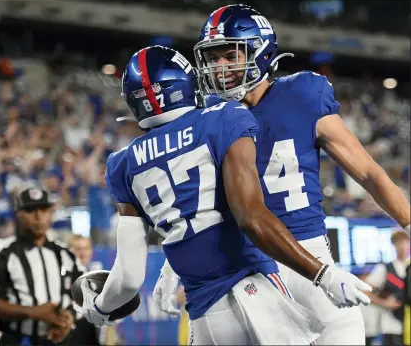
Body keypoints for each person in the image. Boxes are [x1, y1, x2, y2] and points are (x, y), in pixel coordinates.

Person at [75, 45, 371, 345]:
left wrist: (99, 309)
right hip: (257, 298)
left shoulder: (121, 163)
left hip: (204, 316)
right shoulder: (223, 117)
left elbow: (127, 278)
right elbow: (251, 217)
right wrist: (324, 273)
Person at [154, 4, 411, 345]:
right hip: (250, 269)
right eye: (213, 58)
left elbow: (366, 172)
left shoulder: (297, 95)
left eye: (230, 54)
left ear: (260, 51)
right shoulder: (211, 114)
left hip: (289, 260)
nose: (220, 66)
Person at [0, 186, 84, 345]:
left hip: (58, 340)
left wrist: (69, 317)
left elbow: (82, 295)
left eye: (44, 209)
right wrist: (32, 312)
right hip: (16, 339)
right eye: (30, 210)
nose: (38, 216)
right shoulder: (2, 254)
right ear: (17, 215)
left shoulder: (66, 254)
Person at [365, 231, 410, 345]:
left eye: (404, 242)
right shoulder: (384, 268)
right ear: (393, 245)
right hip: (392, 324)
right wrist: (383, 303)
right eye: (398, 243)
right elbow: (365, 291)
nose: (402, 246)